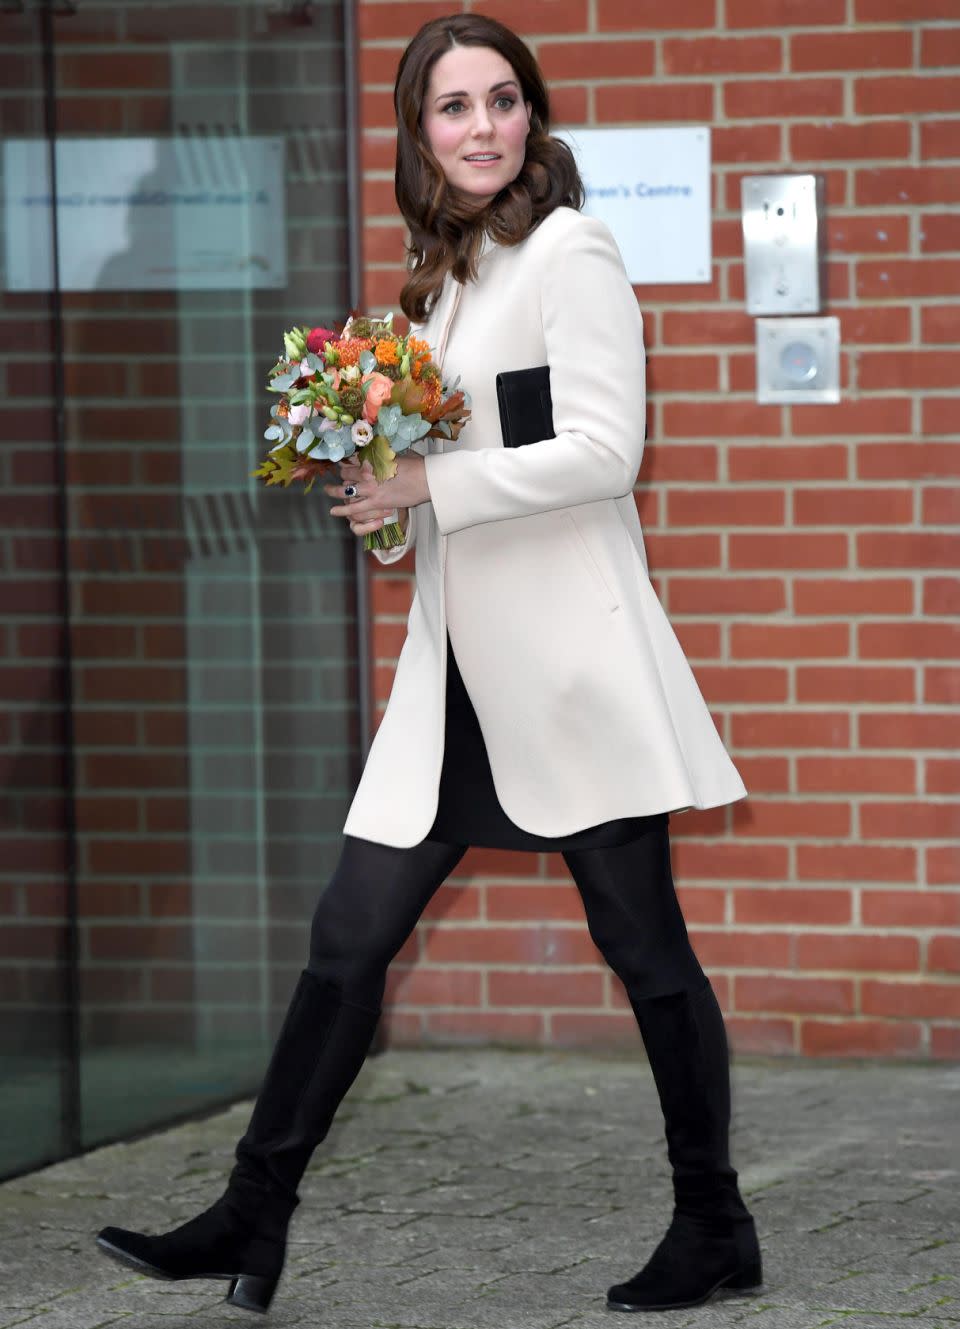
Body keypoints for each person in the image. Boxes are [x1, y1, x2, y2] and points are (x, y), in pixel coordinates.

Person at [95, 13, 762, 1317]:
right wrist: (385, 502)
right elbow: (440, 502)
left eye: (501, 101)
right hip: (454, 674)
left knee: (646, 950)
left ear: (532, 115)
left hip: (570, 668)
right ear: (421, 129)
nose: (481, 128)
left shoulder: (573, 249)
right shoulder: (443, 275)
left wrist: (428, 479)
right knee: (348, 936)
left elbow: (603, 453)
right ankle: (254, 1208)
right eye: (452, 107)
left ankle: (715, 1221)